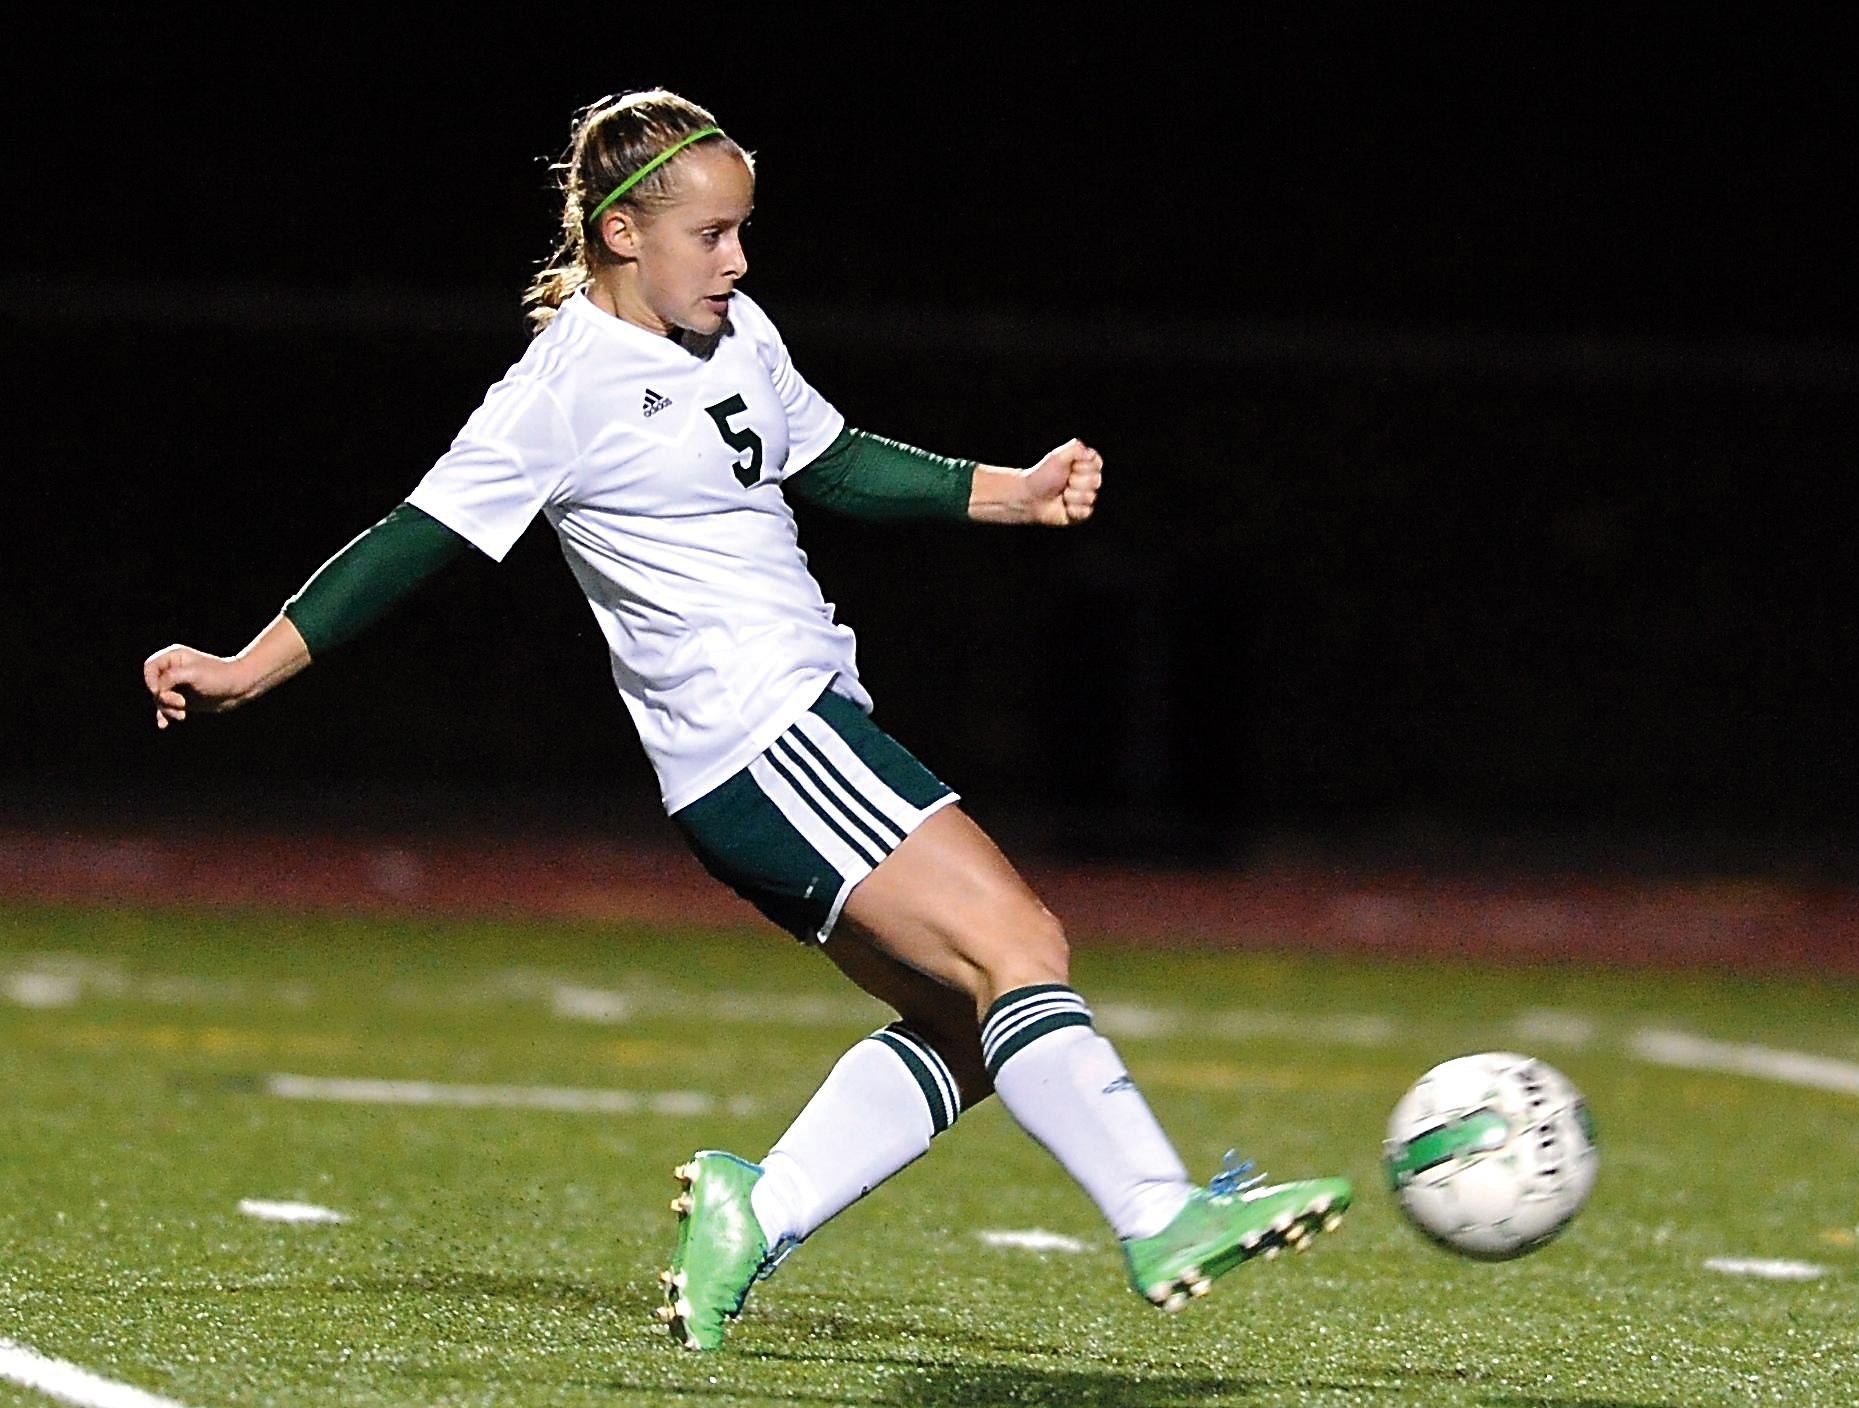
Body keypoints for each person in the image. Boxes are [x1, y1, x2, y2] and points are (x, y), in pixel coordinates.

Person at [142, 89, 1352, 1351]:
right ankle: (1158, 1208)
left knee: (972, 1023)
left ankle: (753, 1209)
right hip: (761, 739)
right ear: (620, 233)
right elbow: (414, 537)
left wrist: (1015, 492)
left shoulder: (735, 333)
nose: (738, 258)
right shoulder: (560, 389)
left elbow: (826, 460)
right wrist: (247, 666)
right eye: (711, 234)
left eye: (741, 231)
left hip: (775, 748)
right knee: (1019, 942)